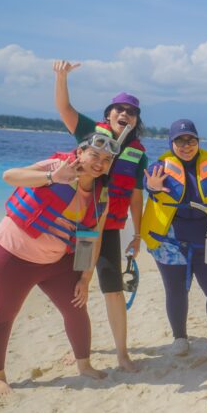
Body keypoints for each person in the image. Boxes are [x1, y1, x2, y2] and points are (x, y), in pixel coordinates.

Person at [0, 132, 119, 395]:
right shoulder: (56, 167)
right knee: (2, 316)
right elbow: (9, 176)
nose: (99, 163)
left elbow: (92, 238)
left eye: (106, 159)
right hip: (12, 256)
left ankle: (84, 365)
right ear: (80, 153)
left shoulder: (101, 196)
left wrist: (85, 277)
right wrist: (52, 178)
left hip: (55, 262)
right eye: (94, 155)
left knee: (76, 308)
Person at [54, 60, 148, 372]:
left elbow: (136, 195)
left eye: (130, 111)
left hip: (108, 229)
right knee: (77, 286)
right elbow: (65, 108)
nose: (124, 114)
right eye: (118, 109)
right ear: (108, 114)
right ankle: (79, 350)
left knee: (113, 288)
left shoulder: (138, 152)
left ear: (135, 120)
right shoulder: (89, 132)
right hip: (79, 225)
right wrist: (62, 77)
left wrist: (138, 234)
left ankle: (122, 354)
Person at [141, 119, 207, 354]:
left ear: (198, 141)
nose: (186, 145)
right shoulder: (159, 168)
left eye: (191, 140)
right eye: (180, 140)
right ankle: (180, 339)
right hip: (171, 244)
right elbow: (149, 183)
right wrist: (151, 186)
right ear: (171, 142)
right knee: (175, 292)